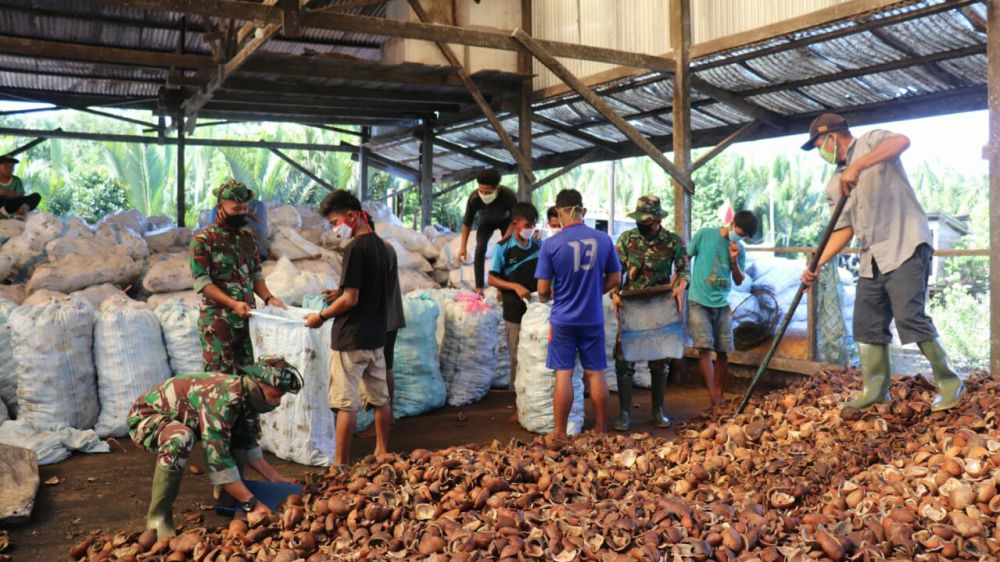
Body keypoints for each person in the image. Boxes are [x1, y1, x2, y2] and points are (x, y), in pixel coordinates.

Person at [799, 113, 964, 411]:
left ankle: (950, 383)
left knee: (909, 316)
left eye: (819, 145)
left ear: (832, 137)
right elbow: (844, 230)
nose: (820, 152)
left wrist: (858, 166)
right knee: (866, 323)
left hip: (905, 243)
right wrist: (816, 264)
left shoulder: (871, 141)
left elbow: (902, 141)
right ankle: (875, 391)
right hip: (872, 257)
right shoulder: (836, 182)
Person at [127, 356, 302, 539]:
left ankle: (229, 493)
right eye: (275, 395)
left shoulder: (247, 398)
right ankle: (158, 516)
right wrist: (251, 504)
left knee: (238, 433)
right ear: (259, 382)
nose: (277, 403)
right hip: (146, 418)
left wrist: (276, 479)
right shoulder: (224, 400)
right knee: (181, 438)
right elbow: (217, 460)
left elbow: (248, 445)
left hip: (186, 420)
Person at [304, 190, 394, 466]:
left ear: (352, 216)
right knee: (381, 399)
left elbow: (351, 299)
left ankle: (340, 465)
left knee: (345, 404)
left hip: (351, 337)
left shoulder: (355, 248)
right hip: (376, 336)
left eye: (335, 222)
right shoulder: (382, 247)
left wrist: (321, 316)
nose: (335, 229)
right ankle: (382, 451)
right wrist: (340, 292)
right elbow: (369, 289)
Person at [536, 189, 621, 442]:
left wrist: (548, 296)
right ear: (582, 211)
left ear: (559, 211)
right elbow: (615, 278)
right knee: (595, 372)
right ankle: (601, 430)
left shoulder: (551, 244)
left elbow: (542, 290)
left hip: (563, 319)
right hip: (592, 317)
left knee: (563, 373)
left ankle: (560, 433)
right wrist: (595, 291)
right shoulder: (603, 239)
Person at [609, 195, 688, 430]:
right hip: (631, 303)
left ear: (658, 220)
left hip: (659, 304)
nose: (642, 226)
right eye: (639, 221)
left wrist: (681, 287)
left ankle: (658, 411)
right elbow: (615, 272)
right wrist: (614, 293)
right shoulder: (626, 239)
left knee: (660, 360)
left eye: (647, 222)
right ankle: (624, 413)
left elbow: (684, 270)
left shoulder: (673, 241)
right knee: (624, 359)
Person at [190, 180, 285, 374]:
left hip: (247, 320)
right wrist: (232, 304)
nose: (242, 213)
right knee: (220, 379)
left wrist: (269, 298)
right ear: (220, 208)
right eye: (236, 209)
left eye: (244, 208)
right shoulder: (204, 240)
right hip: (219, 322)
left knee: (248, 378)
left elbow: (256, 274)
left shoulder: (247, 239)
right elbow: (202, 282)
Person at [688, 209, 759, 408]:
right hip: (698, 300)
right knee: (704, 347)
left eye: (743, 236)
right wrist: (682, 280)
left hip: (722, 303)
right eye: (739, 232)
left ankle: (719, 394)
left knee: (723, 351)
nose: (739, 237)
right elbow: (686, 255)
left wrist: (734, 260)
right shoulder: (705, 234)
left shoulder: (739, 249)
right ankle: (714, 397)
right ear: (732, 223)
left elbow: (739, 280)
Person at [488, 202, 542, 420]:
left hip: (537, 310)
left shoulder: (539, 245)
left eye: (533, 224)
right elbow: (492, 278)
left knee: (537, 355)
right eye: (527, 225)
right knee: (517, 356)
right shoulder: (503, 248)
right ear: (516, 223)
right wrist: (515, 286)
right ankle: (518, 403)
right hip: (514, 309)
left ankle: (536, 401)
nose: (531, 228)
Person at [458, 168, 518, 294]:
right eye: (481, 191)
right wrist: (463, 247)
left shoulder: (508, 195)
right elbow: (467, 223)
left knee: (506, 250)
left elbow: (515, 220)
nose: (484, 195)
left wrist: (505, 239)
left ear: (497, 188)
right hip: (486, 222)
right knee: (480, 249)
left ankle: (504, 286)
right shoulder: (474, 198)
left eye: (488, 192)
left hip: (506, 222)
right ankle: (479, 288)